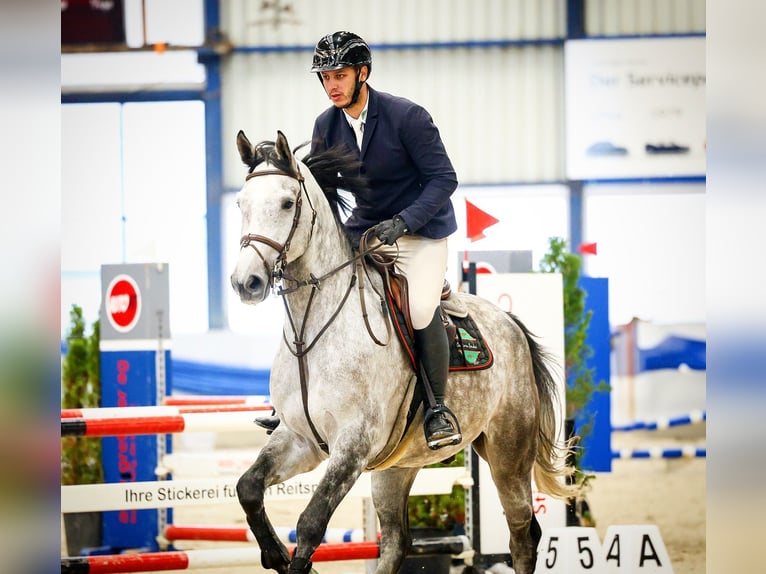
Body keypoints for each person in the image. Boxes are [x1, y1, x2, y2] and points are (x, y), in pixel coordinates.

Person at [256, 31, 461, 450]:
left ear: (362, 74)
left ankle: (438, 408)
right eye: (326, 77)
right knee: (314, 291)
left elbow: (444, 179)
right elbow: (323, 197)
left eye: (341, 75)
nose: (332, 84)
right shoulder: (325, 126)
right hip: (366, 231)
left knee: (420, 308)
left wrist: (403, 222)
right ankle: (290, 405)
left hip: (421, 232)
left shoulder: (408, 117)